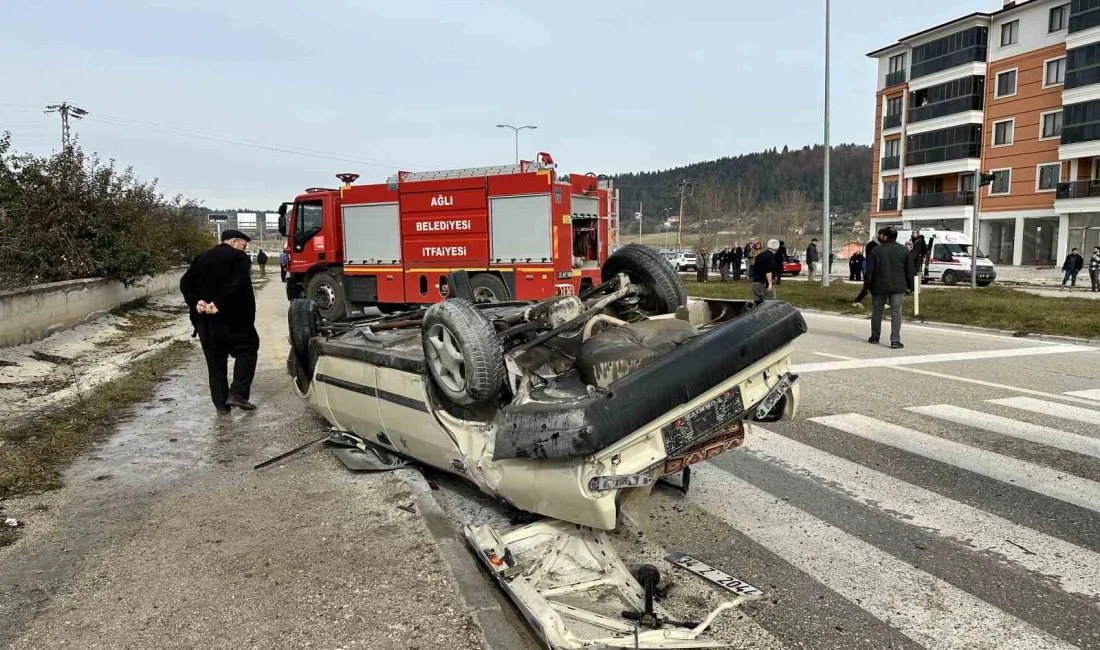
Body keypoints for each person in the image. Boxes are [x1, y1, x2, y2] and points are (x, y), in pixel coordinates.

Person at [180, 229, 260, 414]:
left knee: (215, 362)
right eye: (243, 245)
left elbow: (185, 283)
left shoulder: (201, 257)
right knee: (247, 350)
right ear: (233, 241)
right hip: (235, 320)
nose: (244, 249)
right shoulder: (238, 258)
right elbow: (237, 283)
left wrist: (196, 302)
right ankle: (238, 394)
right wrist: (219, 304)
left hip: (205, 322)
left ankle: (221, 406)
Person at [864, 227, 913, 349]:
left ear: (885, 236)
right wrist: (910, 287)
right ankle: (895, 340)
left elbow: (869, 271)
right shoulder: (904, 250)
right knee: (896, 312)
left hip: (879, 286)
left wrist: (867, 286)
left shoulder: (876, 250)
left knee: (877, 312)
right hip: (898, 286)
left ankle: (875, 337)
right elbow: (909, 272)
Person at [853, 230, 885, 307]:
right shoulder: (871, 245)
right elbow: (871, 258)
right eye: (883, 235)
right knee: (867, 287)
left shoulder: (882, 244)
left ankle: (881, 303)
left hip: (879, 269)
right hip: (871, 269)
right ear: (879, 235)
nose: (884, 237)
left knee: (880, 287)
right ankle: (857, 301)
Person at [751, 239, 779, 304]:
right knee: (768, 305)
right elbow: (768, 271)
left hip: (755, 283)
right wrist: (770, 284)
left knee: (757, 305)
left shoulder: (759, 255)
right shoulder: (771, 256)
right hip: (764, 283)